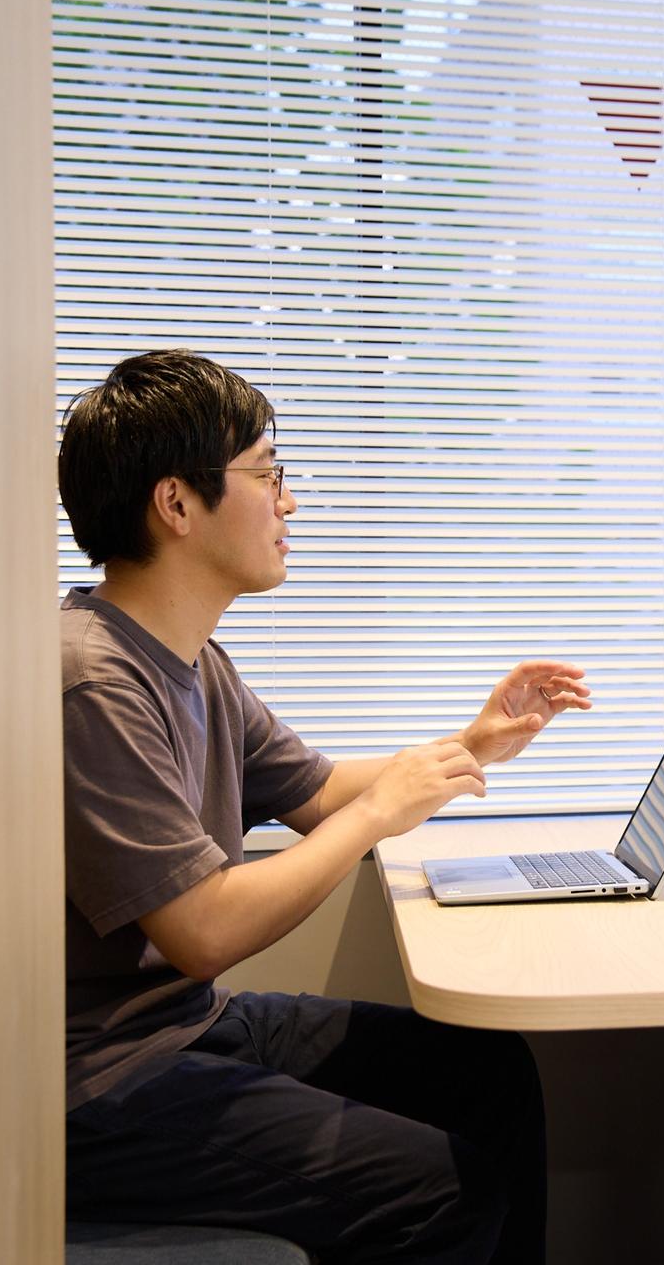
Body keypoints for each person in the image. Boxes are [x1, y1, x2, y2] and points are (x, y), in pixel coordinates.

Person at [57, 350, 589, 1263]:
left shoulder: (191, 659)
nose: (290, 503)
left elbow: (316, 792)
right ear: (176, 503)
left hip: (185, 1026)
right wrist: (378, 815)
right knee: (444, 1195)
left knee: (490, 1071)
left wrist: (474, 743)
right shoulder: (93, 679)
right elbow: (204, 931)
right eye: (268, 476)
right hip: (100, 1082)